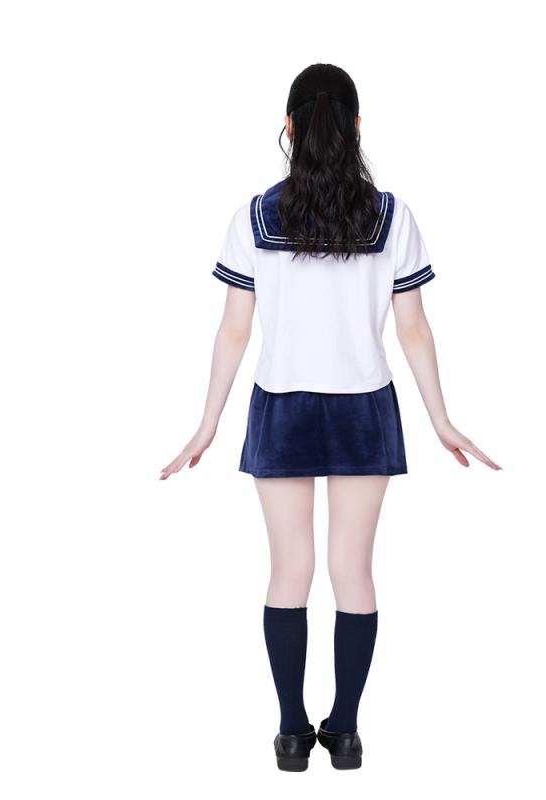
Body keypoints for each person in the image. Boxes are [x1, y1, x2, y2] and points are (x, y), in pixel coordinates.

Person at [160, 63, 501, 771]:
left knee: (289, 570)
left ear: (288, 126)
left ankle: (292, 733)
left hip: (280, 406)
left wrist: (207, 423)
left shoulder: (255, 216)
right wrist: (441, 419)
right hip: (363, 408)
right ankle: (343, 731)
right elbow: (413, 329)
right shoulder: (390, 216)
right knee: (353, 570)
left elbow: (233, 330)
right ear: (356, 126)